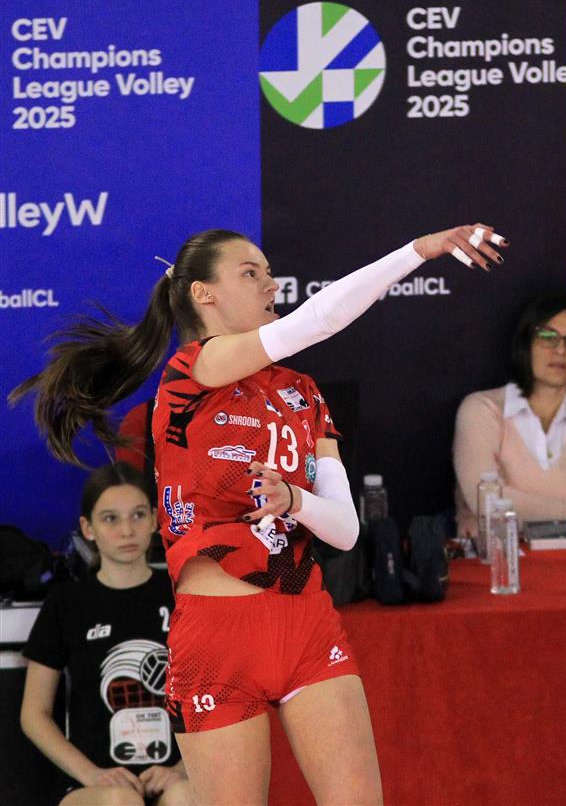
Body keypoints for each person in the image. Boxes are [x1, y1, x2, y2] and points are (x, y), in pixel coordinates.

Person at [12, 224, 507, 805]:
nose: (271, 285)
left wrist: (296, 501)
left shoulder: (303, 392)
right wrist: (416, 252)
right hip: (218, 635)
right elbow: (317, 319)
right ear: (204, 294)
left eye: (270, 273)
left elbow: (346, 530)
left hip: (306, 624)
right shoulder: (191, 372)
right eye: (251, 273)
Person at [21, 463, 195, 806]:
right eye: (111, 519)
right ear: (88, 528)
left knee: (185, 796)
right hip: (94, 785)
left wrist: (183, 768)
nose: (127, 530)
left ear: (155, 519)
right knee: (120, 801)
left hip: (174, 776)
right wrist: (92, 775)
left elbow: (218, 697)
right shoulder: (66, 603)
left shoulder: (183, 596)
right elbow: (33, 714)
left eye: (138, 515)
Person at [453, 291, 566, 533]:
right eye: (547, 337)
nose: (561, 350)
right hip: (492, 556)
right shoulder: (481, 409)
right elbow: (487, 503)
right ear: (526, 344)